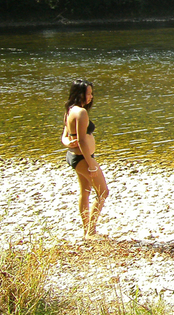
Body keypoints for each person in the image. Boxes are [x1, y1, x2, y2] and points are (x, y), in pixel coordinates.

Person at [61, 79, 109, 238]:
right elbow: (81, 140)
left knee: (85, 191)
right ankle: (91, 231)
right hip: (83, 157)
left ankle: (86, 230)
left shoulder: (70, 110)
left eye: (91, 93)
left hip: (75, 156)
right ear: (79, 94)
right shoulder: (81, 112)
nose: (91, 97)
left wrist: (67, 142)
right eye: (88, 93)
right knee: (103, 192)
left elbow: (64, 135)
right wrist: (91, 163)